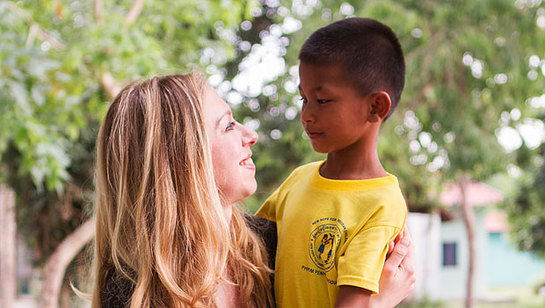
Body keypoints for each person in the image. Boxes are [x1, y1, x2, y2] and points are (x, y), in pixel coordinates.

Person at [91, 72, 414, 307]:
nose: (250, 135)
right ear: (184, 162)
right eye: (228, 126)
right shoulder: (131, 295)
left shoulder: (274, 247)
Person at [256, 17, 411, 307]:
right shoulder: (299, 179)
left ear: (376, 107)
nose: (307, 115)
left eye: (322, 101)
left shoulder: (381, 205)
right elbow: (246, 249)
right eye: (304, 99)